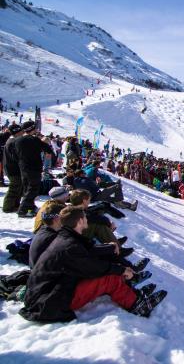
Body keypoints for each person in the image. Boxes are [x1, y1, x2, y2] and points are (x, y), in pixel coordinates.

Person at [20, 206, 166, 322]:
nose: (87, 220)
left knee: (110, 267)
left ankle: (132, 292)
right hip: (50, 301)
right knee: (109, 277)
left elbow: (88, 252)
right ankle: (136, 305)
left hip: (51, 292)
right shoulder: (69, 245)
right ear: (79, 222)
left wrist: (109, 249)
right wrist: (121, 270)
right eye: (85, 217)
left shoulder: (66, 237)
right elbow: (93, 267)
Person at [14, 121, 54, 217]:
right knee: (33, 189)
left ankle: (29, 207)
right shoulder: (34, 140)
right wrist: (44, 142)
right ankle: (23, 210)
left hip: (23, 167)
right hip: (34, 167)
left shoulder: (18, 140)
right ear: (32, 129)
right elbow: (49, 149)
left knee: (27, 188)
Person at [29, 201, 66, 268]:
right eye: (65, 217)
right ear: (56, 219)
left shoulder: (44, 230)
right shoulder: (53, 238)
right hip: (45, 275)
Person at [2, 123, 24, 212]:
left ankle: (15, 204)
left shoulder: (12, 140)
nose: (22, 132)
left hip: (13, 168)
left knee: (18, 187)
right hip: (13, 169)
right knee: (14, 188)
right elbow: (16, 157)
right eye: (21, 131)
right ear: (17, 132)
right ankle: (7, 207)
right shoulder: (13, 141)